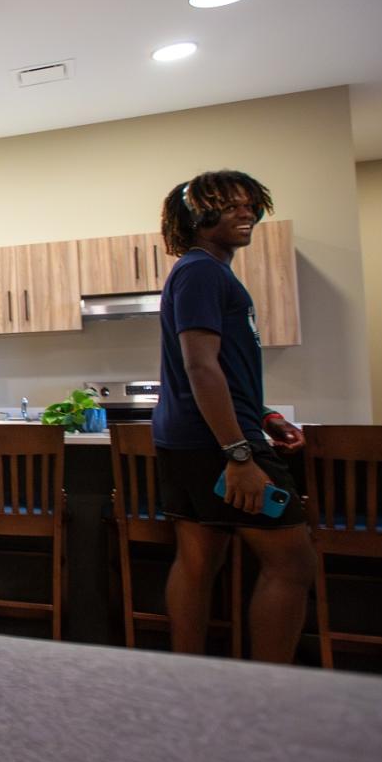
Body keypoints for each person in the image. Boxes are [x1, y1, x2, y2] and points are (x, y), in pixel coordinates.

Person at [153, 170, 314, 664]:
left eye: (251, 205)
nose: (246, 213)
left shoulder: (204, 272)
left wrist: (262, 414)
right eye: (229, 205)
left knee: (200, 560)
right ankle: (265, 690)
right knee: (291, 563)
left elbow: (221, 367)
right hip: (218, 443)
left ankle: (192, 679)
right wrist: (240, 453)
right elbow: (200, 366)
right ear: (197, 216)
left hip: (191, 437)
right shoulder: (202, 271)